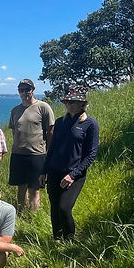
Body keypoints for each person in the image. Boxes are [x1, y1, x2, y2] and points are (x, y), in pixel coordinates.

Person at [43, 85, 99, 242]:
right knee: (54, 207)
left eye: (74, 102)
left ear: (82, 104)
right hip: (54, 171)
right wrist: (43, 171)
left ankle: (70, 240)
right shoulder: (60, 123)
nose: (70, 104)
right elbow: (52, 148)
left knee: (64, 207)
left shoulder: (90, 124)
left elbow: (91, 154)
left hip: (74, 174)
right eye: (67, 101)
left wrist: (73, 175)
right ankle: (57, 238)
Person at [8, 78, 55, 212]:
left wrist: (49, 150)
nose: (24, 92)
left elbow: (50, 129)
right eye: (21, 90)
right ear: (19, 92)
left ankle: (33, 216)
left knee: (34, 189)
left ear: (33, 90)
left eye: (27, 89)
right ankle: (21, 215)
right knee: (21, 187)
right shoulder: (15, 110)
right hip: (18, 154)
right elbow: (14, 131)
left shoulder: (43, 107)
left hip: (36, 154)